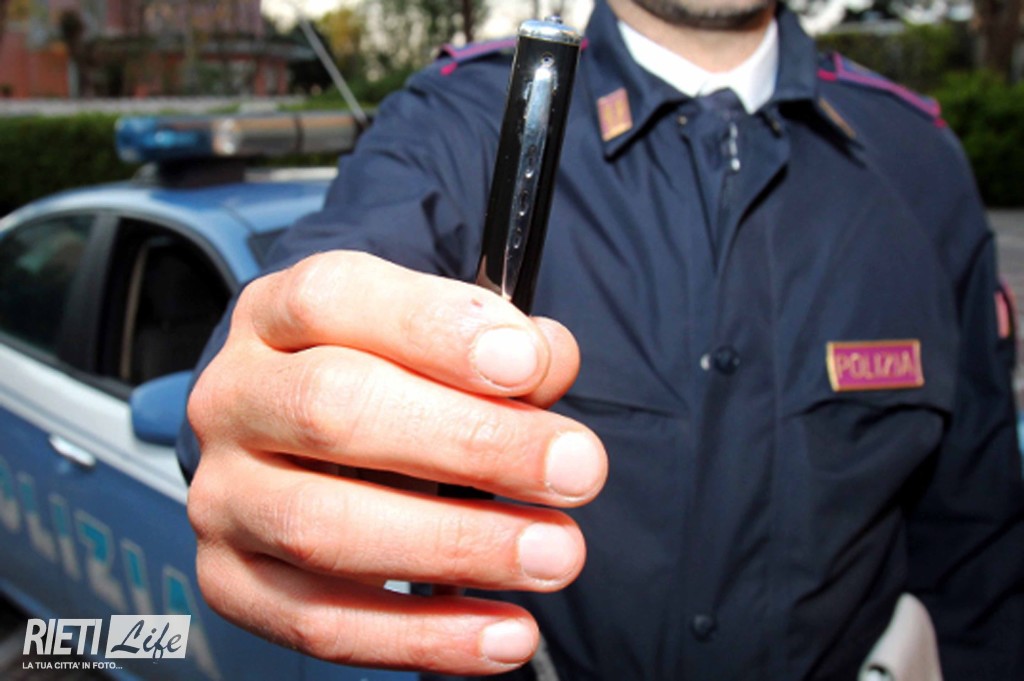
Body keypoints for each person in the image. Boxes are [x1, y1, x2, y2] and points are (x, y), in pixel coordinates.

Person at [178, 0, 1024, 678]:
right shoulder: (464, 120)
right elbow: (304, 315)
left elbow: (977, 546)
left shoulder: (917, 159)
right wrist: (276, 406)